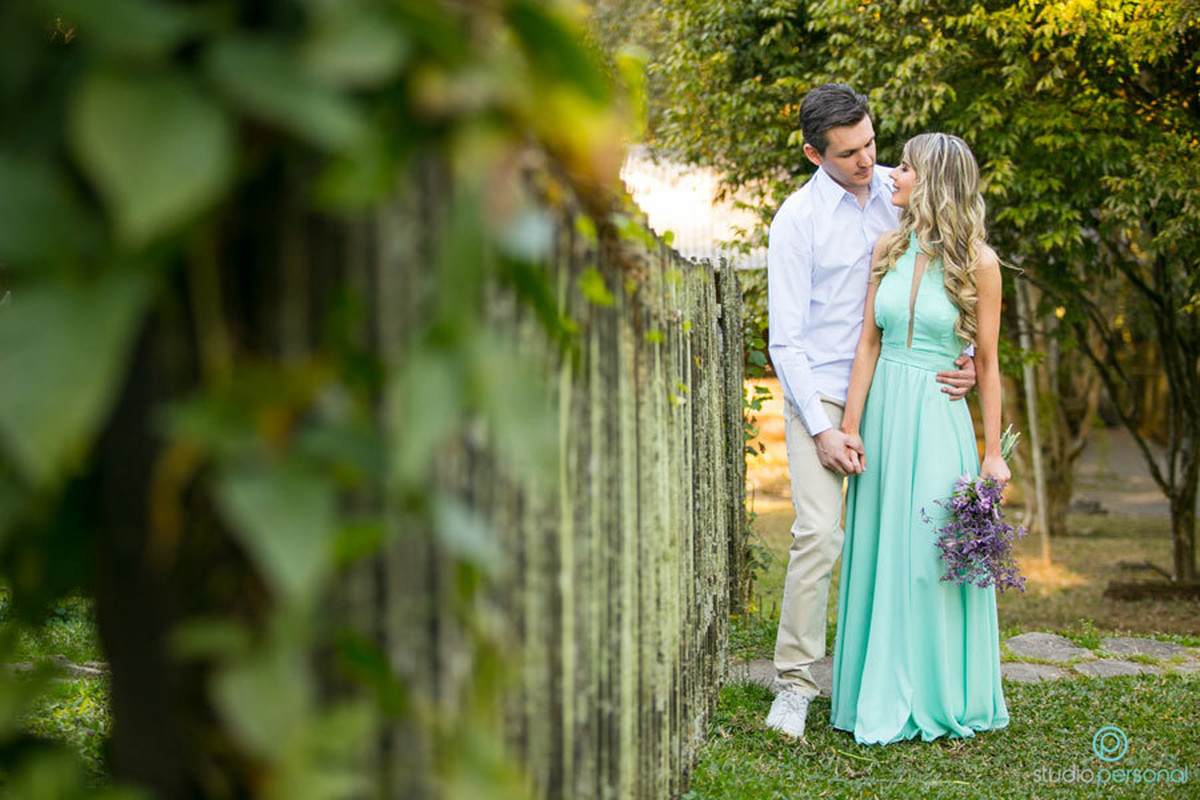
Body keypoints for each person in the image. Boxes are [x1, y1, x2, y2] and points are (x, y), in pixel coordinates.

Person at [764, 84, 976, 739]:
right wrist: (826, 429)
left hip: (904, 391)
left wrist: (963, 349)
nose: (868, 162)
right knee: (821, 533)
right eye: (850, 153)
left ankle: (907, 675)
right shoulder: (796, 221)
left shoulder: (902, 188)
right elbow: (785, 341)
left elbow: (955, 261)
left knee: (911, 537)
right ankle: (795, 687)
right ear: (813, 153)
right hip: (824, 395)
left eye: (872, 144)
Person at [830, 132, 1010, 744]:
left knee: (929, 558)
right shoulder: (888, 245)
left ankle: (936, 692)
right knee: (881, 550)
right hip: (883, 416)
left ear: (932, 182)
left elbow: (985, 362)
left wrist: (992, 455)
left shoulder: (980, 263)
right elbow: (867, 345)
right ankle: (875, 689)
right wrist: (850, 426)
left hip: (938, 420)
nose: (891, 173)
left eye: (904, 167)